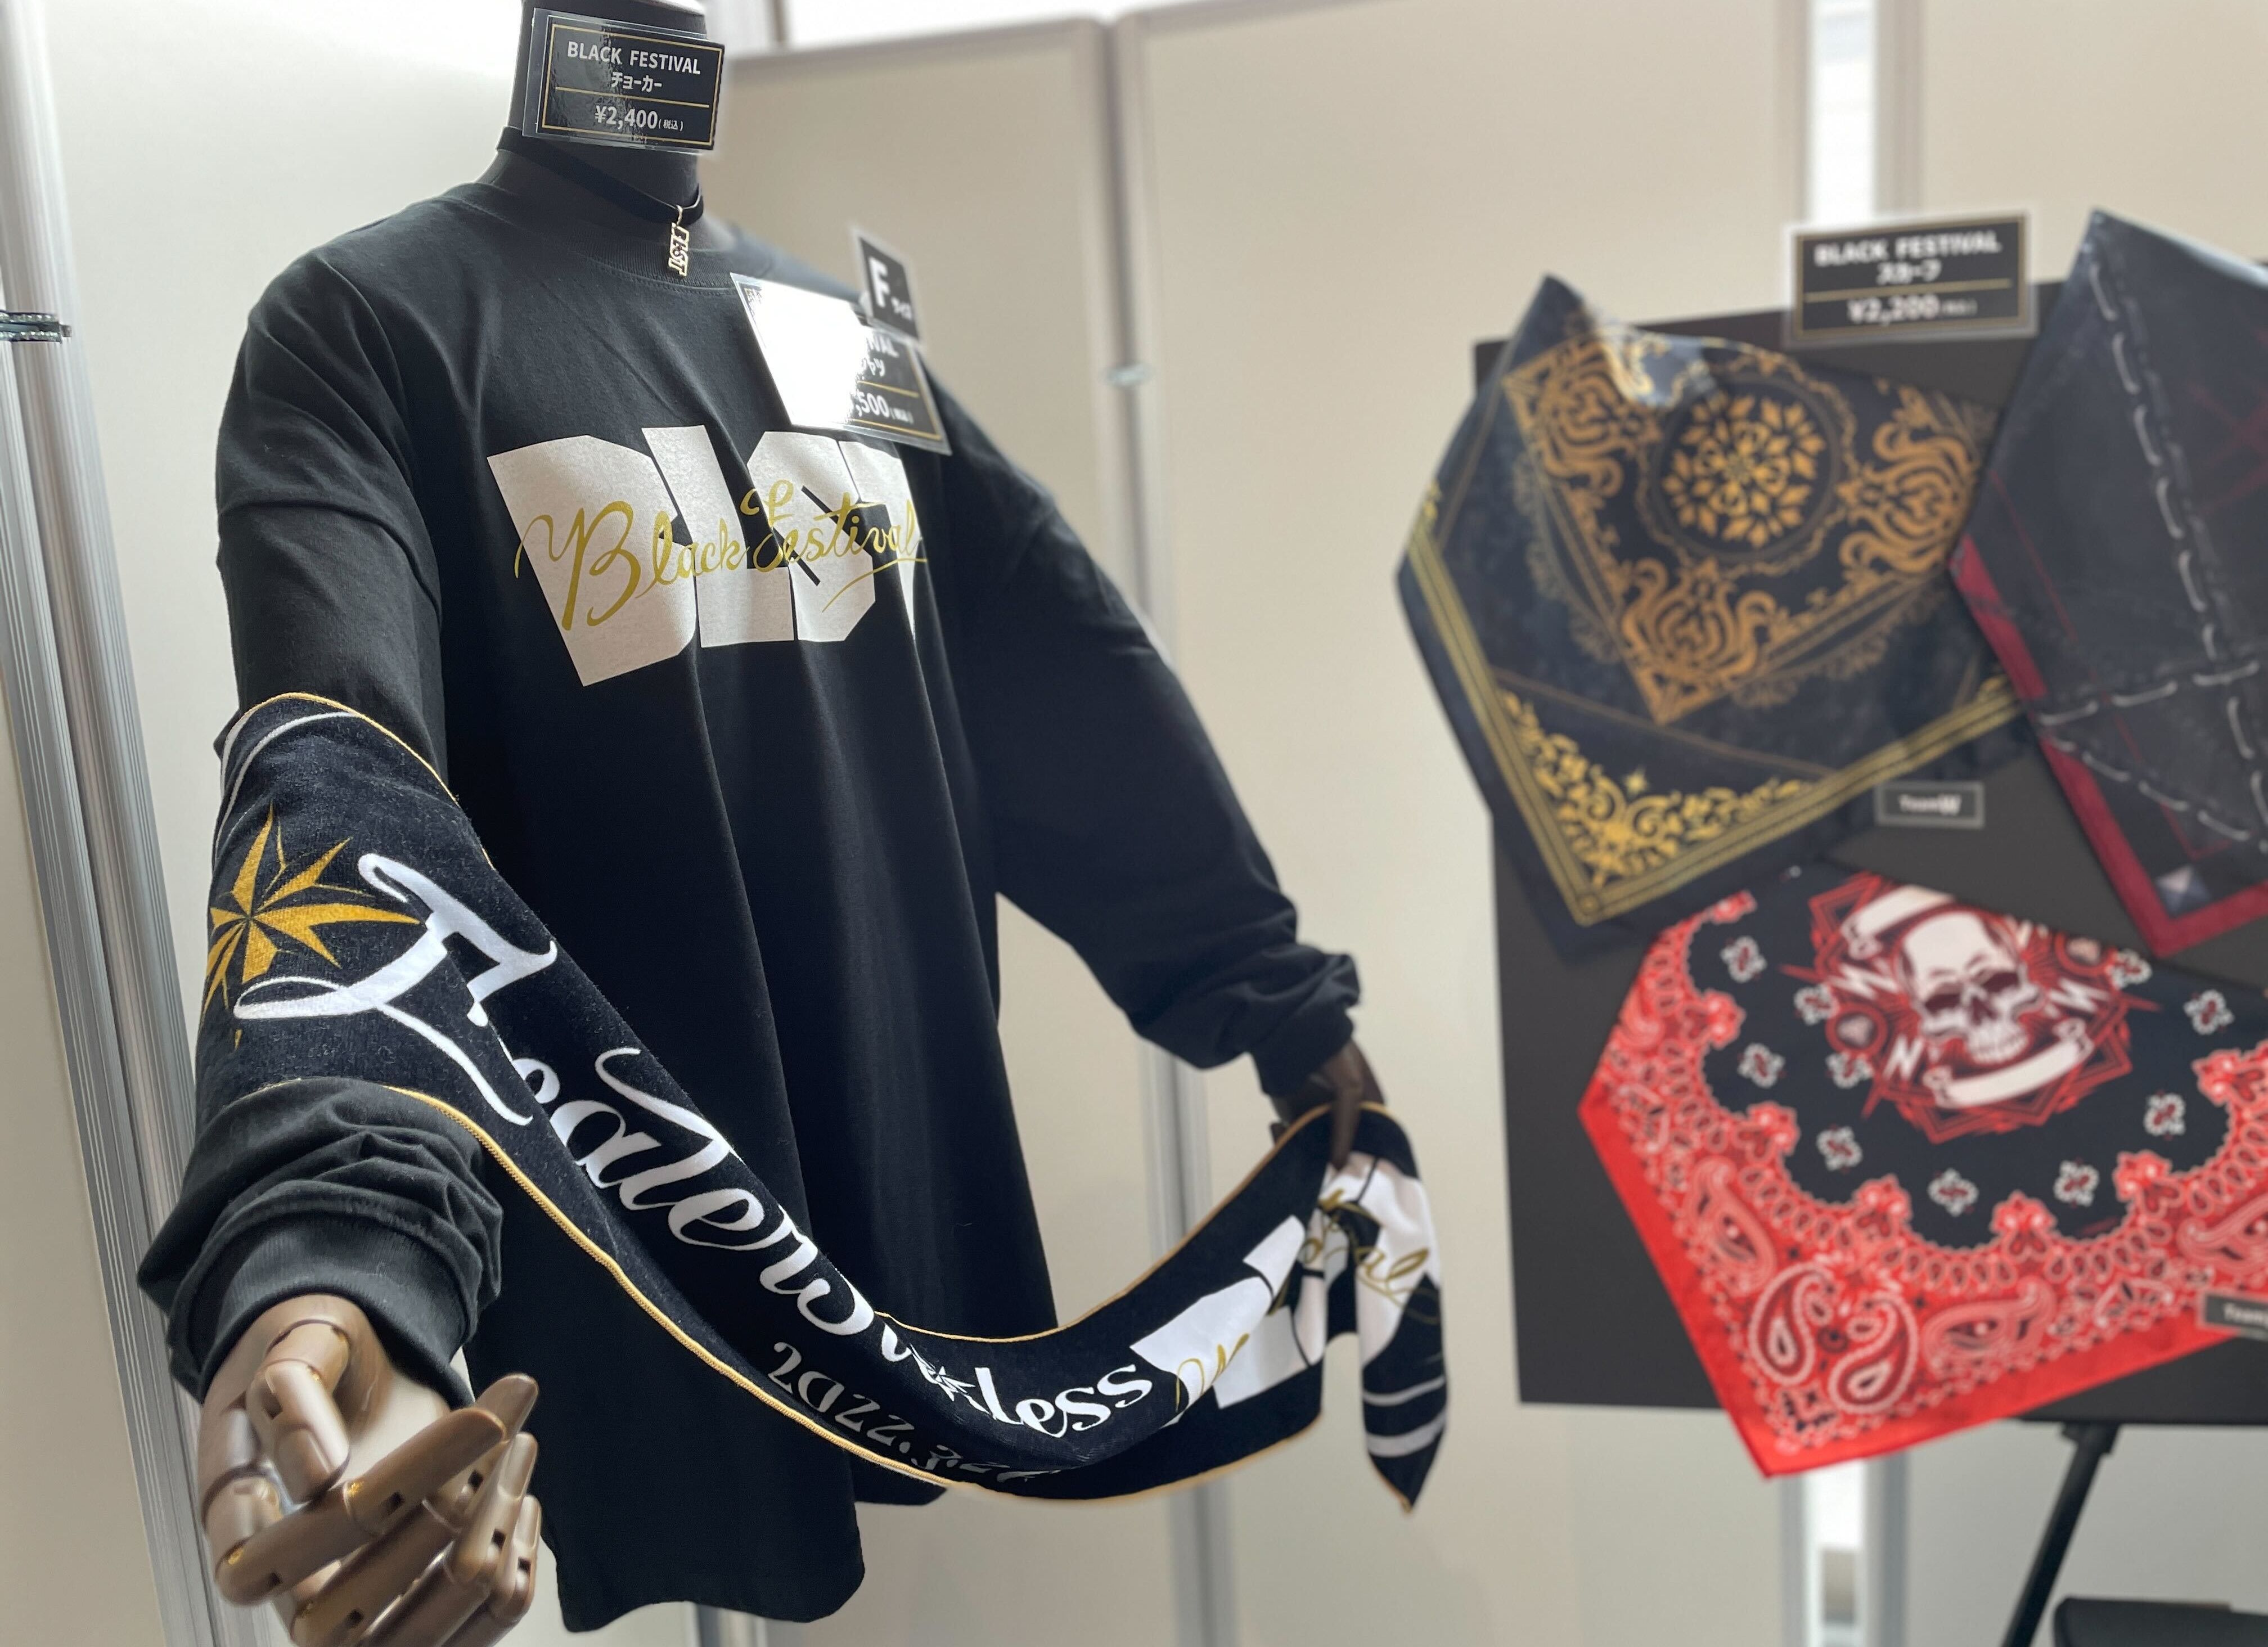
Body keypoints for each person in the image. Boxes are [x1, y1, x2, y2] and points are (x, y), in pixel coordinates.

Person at [140, 1, 1382, 1634]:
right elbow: (341, 787)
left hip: (894, 1201)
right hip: (630, 1242)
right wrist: (337, 1253)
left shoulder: (837, 335)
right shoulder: (372, 322)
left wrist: (1275, 1003)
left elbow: (1061, 672)